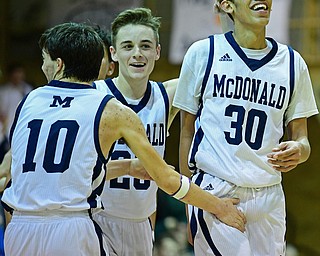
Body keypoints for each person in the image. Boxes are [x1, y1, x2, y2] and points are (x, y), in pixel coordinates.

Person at [0, 22, 246, 256]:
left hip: (21, 227)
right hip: (76, 224)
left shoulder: (30, 100)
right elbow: (168, 179)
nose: (44, 67)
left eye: (45, 61)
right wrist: (218, 206)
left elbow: (31, 169)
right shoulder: (110, 108)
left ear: (59, 64)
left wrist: (128, 166)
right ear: (110, 56)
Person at [173, 0, 319, 255]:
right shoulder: (203, 53)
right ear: (227, 5)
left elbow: (303, 141)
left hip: (270, 194)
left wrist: (298, 149)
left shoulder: (293, 63)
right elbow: (186, 133)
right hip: (217, 190)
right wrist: (190, 202)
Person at [92, 8, 179, 256]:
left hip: (141, 223)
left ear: (157, 52)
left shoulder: (167, 95)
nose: (137, 54)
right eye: (128, 46)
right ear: (114, 53)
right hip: (96, 218)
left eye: (145, 46)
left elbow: (211, 74)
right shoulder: (93, 94)